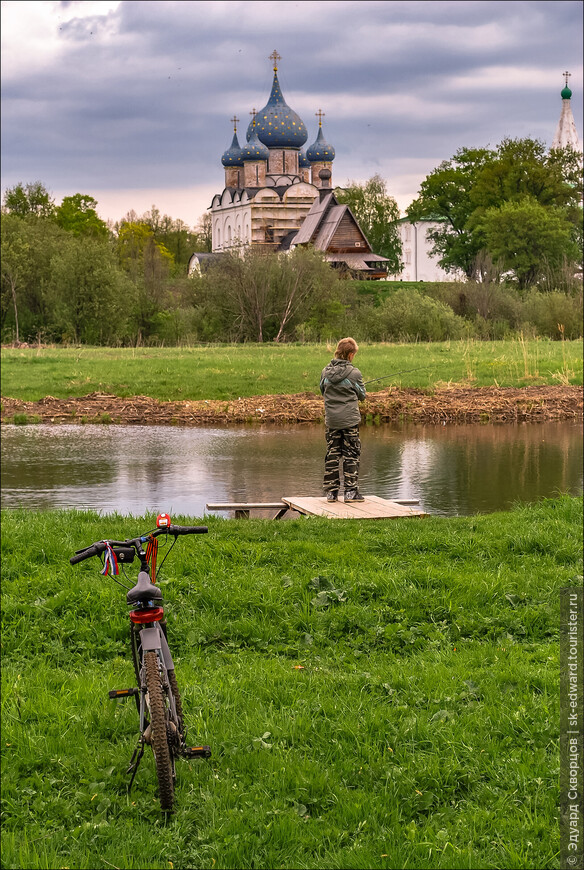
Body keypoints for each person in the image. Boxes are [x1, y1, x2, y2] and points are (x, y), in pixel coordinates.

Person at [319, 337, 366, 503]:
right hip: (349, 421)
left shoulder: (325, 372)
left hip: (332, 421)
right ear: (350, 355)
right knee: (351, 454)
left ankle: (331, 493)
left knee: (332, 454)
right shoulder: (354, 373)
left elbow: (322, 389)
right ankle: (351, 492)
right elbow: (362, 395)